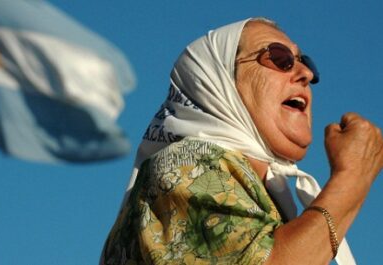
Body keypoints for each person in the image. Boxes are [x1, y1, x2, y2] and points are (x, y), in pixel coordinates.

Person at [100, 17, 383, 265]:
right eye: (279, 58)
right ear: (219, 82)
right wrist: (352, 176)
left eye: (304, 62)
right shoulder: (186, 164)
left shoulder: (259, 195)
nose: (305, 74)